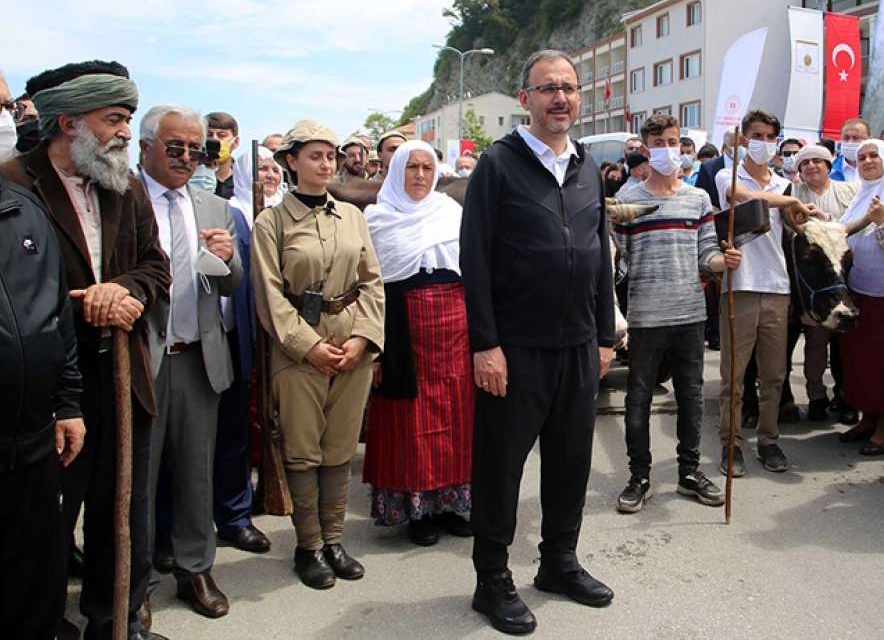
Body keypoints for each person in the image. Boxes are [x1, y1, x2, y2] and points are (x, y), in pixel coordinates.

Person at [0, 59, 171, 640]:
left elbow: (155, 267)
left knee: (121, 508)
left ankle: (117, 618)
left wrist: (123, 293)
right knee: (48, 517)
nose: (125, 132)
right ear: (67, 123)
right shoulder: (16, 185)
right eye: (113, 119)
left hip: (123, 371)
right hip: (48, 382)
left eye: (127, 120)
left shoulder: (126, 184)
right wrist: (84, 302)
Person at [460, 49, 615, 635]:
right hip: (514, 349)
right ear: (525, 99)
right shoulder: (498, 166)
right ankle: (491, 579)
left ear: (581, 97)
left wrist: (604, 336)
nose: (560, 98)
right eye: (547, 88)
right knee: (500, 468)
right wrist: (486, 344)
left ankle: (559, 562)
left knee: (571, 463)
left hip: (578, 348)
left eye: (569, 88)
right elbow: (473, 260)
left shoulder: (587, 167)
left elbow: (600, 257)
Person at [251, 120, 385, 589]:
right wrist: (309, 348)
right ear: (291, 162)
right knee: (304, 452)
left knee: (340, 448)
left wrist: (363, 340)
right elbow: (269, 294)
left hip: (351, 343)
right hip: (299, 347)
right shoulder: (271, 223)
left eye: (330, 155)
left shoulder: (352, 216)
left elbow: (371, 281)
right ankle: (308, 546)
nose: (326, 164)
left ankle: (334, 540)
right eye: (315, 155)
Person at [0, 56, 85, 640]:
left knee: (34, 597)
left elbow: (55, 319)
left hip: (33, 451)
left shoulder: (26, 211)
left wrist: (68, 402)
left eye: (1, 106)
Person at [138, 104, 242, 619]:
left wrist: (227, 257)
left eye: (193, 149)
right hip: (140, 360)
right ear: (145, 148)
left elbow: (232, 283)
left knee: (197, 474)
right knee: (136, 477)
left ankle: (195, 568)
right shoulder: (122, 199)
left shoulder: (213, 206)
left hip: (199, 357)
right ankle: (133, 584)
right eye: (173, 147)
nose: (184, 157)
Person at [612, 113, 740, 513]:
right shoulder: (627, 203)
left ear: (682, 147)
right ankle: (640, 476)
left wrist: (724, 260)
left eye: (673, 141)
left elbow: (707, 255)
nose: (668, 149)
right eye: (659, 143)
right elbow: (619, 263)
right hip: (646, 317)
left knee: (691, 398)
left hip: (689, 314)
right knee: (638, 400)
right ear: (645, 148)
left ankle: (688, 472)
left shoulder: (698, 199)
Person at [363, 140, 474, 547]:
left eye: (428, 168)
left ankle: (450, 503)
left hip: (455, 329)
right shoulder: (377, 219)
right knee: (412, 424)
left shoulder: (451, 212)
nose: (420, 176)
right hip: (403, 331)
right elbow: (371, 289)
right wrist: (375, 350)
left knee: (457, 417)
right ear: (396, 172)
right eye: (412, 167)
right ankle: (418, 512)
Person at [716, 109, 813, 478]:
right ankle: (731, 442)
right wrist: (787, 201)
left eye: (770, 137)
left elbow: (792, 225)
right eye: (757, 135)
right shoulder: (730, 173)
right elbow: (740, 196)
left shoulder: (782, 183)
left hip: (777, 286)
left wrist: (801, 212)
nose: (763, 142)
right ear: (743, 139)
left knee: (774, 374)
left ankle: (769, 439)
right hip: (739, 285)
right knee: (734, 377)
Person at [215, 145, 281, 556]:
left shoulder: (289, 210)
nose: (269, 176)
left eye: (274, 168)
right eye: (261, 169)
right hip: (236, 331)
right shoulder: (230, 213)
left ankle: (236, 513)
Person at [836, 139, 884, 455]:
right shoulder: (858, 196)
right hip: (858, 292)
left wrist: (882, 223)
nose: (867, 161)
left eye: (874, 156)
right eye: (862, 157)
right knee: (861, 361)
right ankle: (868, 419)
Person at [786, 144, 857, 425]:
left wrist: (826, 220)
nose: (812, 166)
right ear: (800, 170)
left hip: (842, 280)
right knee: (815, 341)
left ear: (829, 165)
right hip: (810, 285)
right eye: (805, 163)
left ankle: (846, 395)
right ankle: (816, 395)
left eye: (818, 161)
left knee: (845, 346)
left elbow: (854, 226)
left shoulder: (848, 192)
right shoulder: (792, 196)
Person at [694, 128, 735, 209]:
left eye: (742, 144)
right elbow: (699, 198)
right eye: (734, 145)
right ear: (725, 146)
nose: (739, 148)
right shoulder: (708, 167)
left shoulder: (753, 166)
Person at [206, 111, 239, 199]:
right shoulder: (192, 177)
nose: (214, 139)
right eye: (209, 135)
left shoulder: (243, 180)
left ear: (236, 142)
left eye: (221, 135)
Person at [830, 117, 870, 185]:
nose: (850, 142)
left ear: (868, 140)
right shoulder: (829, 169)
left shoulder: (879, 169)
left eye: (856, 138)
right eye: (846, 138)